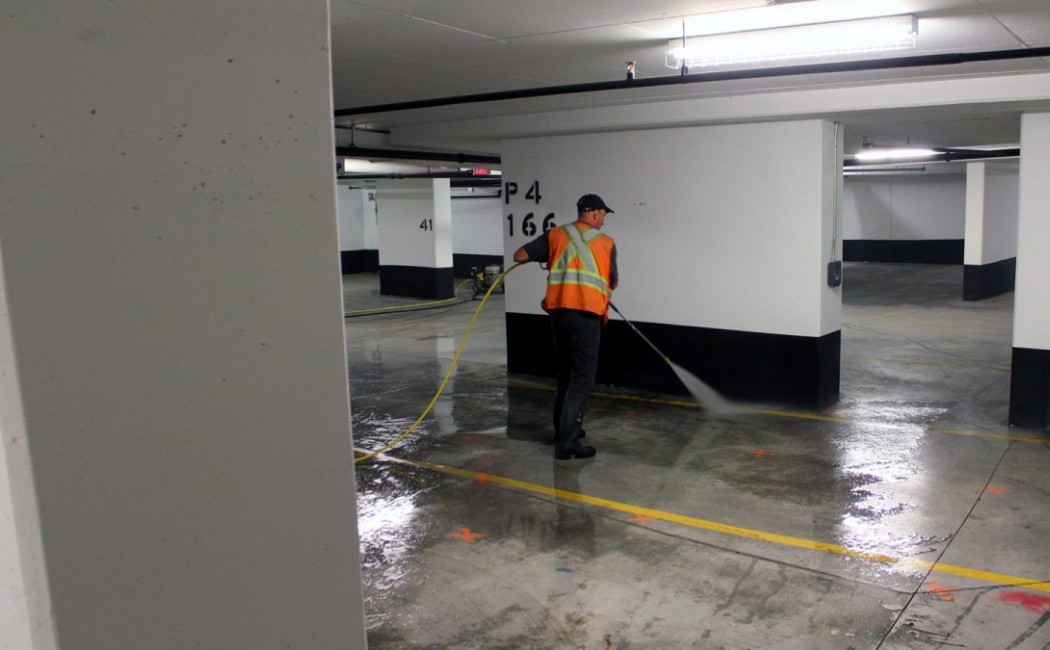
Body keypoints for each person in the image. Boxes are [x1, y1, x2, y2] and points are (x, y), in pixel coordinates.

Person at [513, 194, 619, 460]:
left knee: (565, 378)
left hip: (559, 316)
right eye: (604, 215)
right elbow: (612, 279)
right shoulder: (606, 242)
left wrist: (551, 258)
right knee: (582, 381)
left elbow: (520, 255)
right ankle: (568, 444)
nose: (603, 221)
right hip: (585, 317)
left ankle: (564, 430)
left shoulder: (555, 235)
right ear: (594, 213)